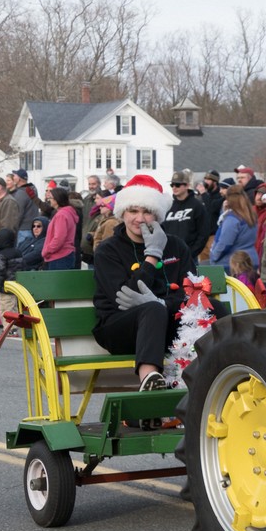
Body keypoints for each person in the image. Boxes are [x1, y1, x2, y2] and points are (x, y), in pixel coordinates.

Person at [91, 174, 200, 397]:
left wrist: (163, 302)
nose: (140, 218)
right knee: (153, 309)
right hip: (119, 327)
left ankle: (226, 374)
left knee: (213, 309)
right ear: (122, 213)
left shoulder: (176, 246)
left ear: (157, 214)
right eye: (133, 211)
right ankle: (149, 382)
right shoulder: (108, 250)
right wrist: (152, 256)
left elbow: (192, 293)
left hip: (167, 322)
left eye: (147, 211)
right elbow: (124, 298)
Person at [161, 170, 210, 259]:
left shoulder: (197, 206)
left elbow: (204, 233)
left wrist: (191, 253)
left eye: (178, 185)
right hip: (169, 256)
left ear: (187, 185)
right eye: (172, 185)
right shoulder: (168, 206)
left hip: (189, 257)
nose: (174, 187)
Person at [209, 185, 258, 271]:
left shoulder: (232, 219)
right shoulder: (250, 216)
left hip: (232, 264)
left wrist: (214, 257)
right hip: (250, 259)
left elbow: (225, 243)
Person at [41, 187, 79, 270]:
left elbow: (59, 238)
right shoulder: (67, 213)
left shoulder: (61, 215)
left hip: (59, 256)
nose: (49, 199)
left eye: (50, 197)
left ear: (57, 199)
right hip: (65, 254)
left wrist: (47, 250)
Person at [0, 228, 24, 322]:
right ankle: (14, 327)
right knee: (14, 307)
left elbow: (0, 272)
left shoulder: (1, 255)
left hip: (5, 286)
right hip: (17, 284)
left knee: (6, 308)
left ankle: (9, 329)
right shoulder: (18, 252)